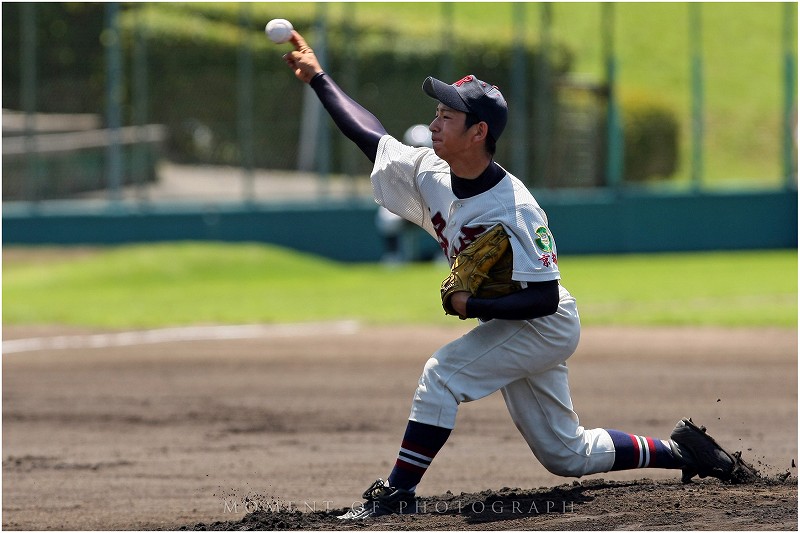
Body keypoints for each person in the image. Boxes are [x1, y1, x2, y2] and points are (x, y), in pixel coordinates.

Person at [281, 30, 746, 520]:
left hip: (543, 324)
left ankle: (398, 492)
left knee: (441, 377)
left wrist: (471, 305)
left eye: (448, 116)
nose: (435, 123)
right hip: (511, 324)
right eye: (437, 113)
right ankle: (684, 452)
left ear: (478, 132)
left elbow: (543, 299)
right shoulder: (432, 173)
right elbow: (372, 137)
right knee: (567, 455)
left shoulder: (516, 208)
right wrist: (318, 78)